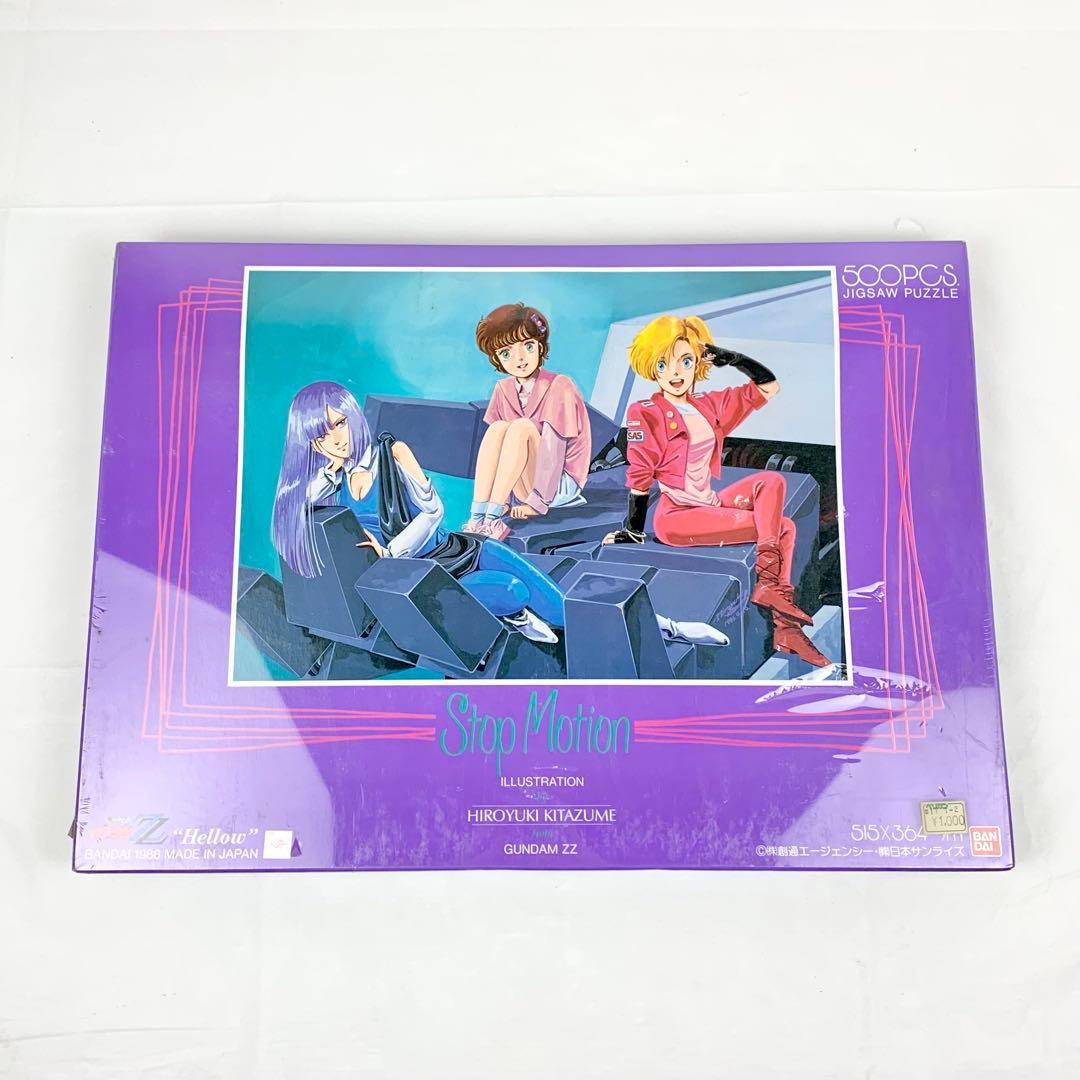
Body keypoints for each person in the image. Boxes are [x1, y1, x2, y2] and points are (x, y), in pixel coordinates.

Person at [271, 381, 727, 651]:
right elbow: (297, 500)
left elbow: (433, 512)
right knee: (512, 593)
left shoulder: (392, 452)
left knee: (560, 605)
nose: (335, 439)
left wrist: (391, 550)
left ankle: (670, 628)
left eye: (338, 424)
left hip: (462, 550)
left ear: (352, 417)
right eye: (320, 436)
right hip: (428, 580)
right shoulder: (332, 481)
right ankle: (516, 615)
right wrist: (326, 471)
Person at [603, 315, 830, 669]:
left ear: (698, 363)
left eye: (685, 361)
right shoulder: (645, 413)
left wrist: (732, 358)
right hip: (677, 518)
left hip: (709, 503)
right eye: (663, 364)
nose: (674, 372)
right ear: (651, 368)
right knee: (783, 527)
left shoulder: (707, 406)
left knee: (773, 482)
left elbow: (767, 387)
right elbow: (640, 470)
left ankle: (777, 608)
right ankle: (784, 623)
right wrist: (633, 529)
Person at [463, 303, 591, 540]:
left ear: (540, 347)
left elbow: (554, 449)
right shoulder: (503, 389)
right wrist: (507, 500)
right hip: (525, 481)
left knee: (521, 427)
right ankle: (478, 515)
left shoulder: (559, 385)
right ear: (497, 359)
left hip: (558, 482)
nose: (520, 359)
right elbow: (501, 453)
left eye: (528, 346)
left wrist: (537, 502)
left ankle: (492, 520)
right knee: (499, 428)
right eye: (506, 353)